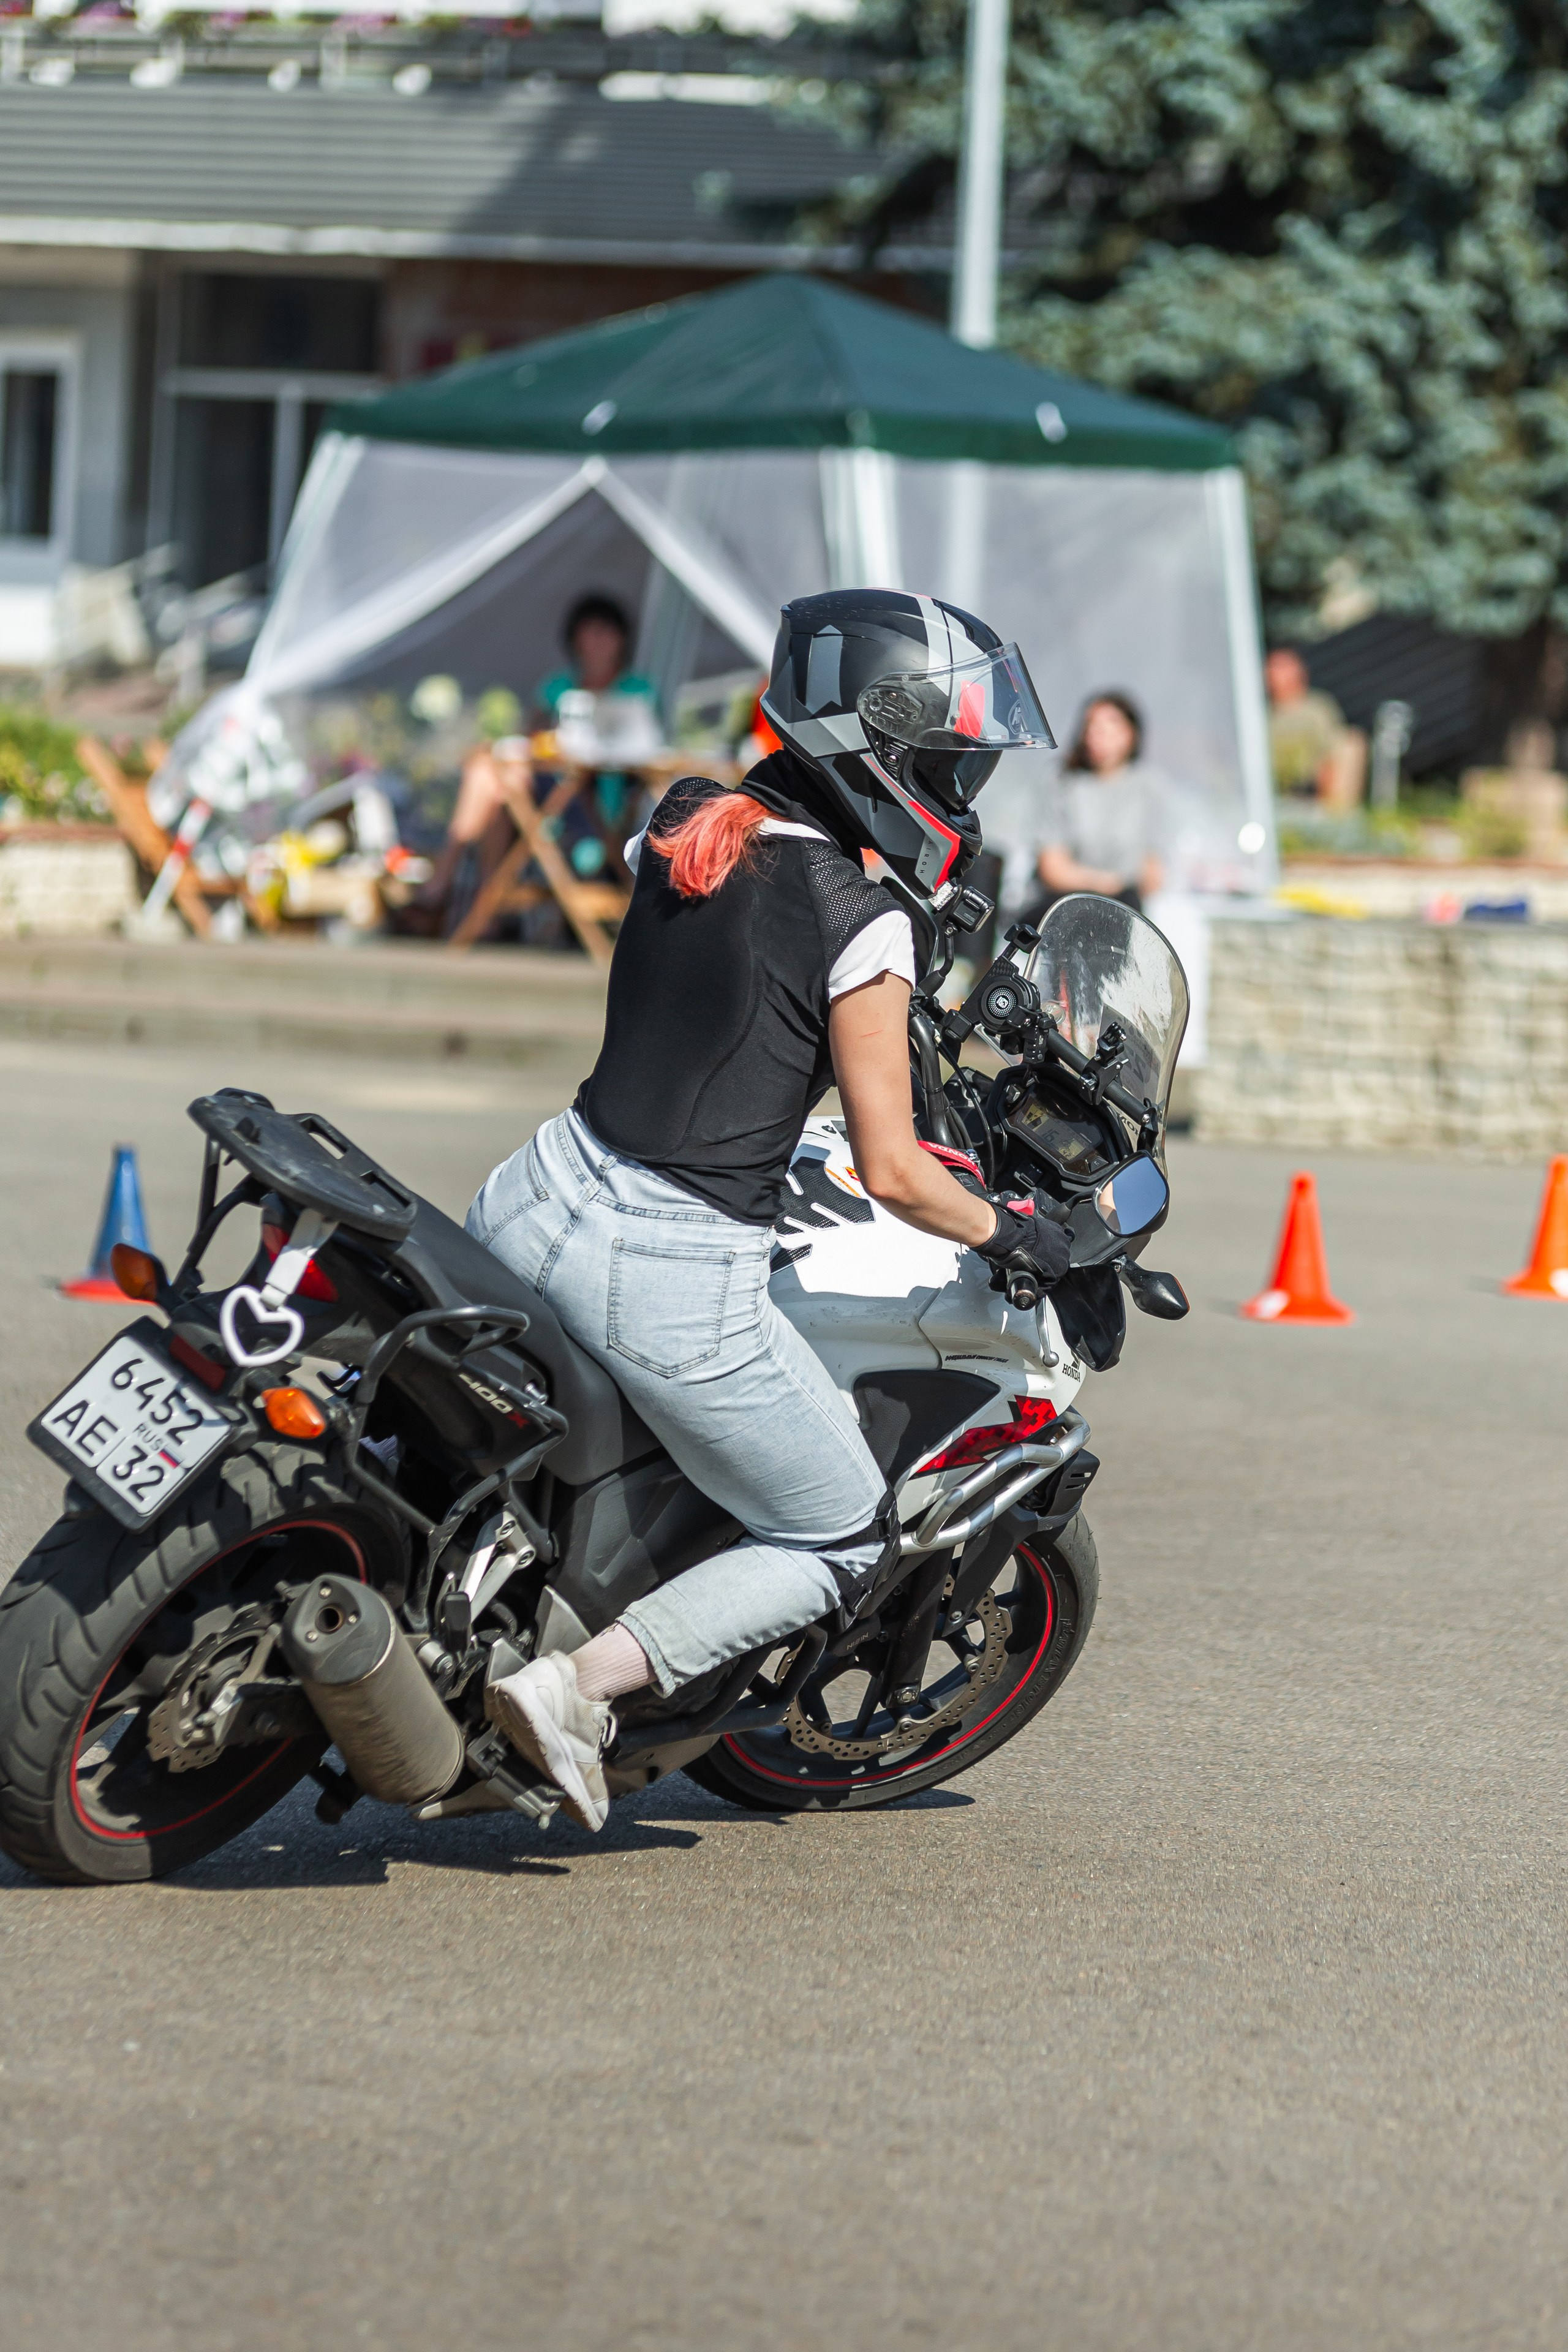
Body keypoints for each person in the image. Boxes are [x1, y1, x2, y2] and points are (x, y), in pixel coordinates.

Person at [466, 588, 1071, 1831]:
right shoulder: (867, 928)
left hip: (534, 1189)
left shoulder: (683, 822)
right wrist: (1013, 1232)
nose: (962, 793)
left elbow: (730, 1021)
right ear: (881, 750)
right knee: (838, 1533)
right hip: (664, 1267)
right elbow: (895, 1170)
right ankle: (576, 1691)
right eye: (952, 763)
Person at [1035, 690, 1164, 913]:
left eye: (1110, 728)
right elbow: (1052, 869)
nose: (1099, 735)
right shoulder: (1061, 782)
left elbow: (1153, 874)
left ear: (1131, 734)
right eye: (1092, 727)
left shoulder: (1149, 787)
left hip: (1126, 906)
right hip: (1065, 903)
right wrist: (1107, 883)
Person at [1265, 647, 1367, 810]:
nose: (1274, 672)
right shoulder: (1260, 714)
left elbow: (1332, 751)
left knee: (1352, 743)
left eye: (1282, 666)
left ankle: (1335, 815)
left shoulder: (1316, 708)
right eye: (1271, 666)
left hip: (1312, 785)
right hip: (1275, 784)